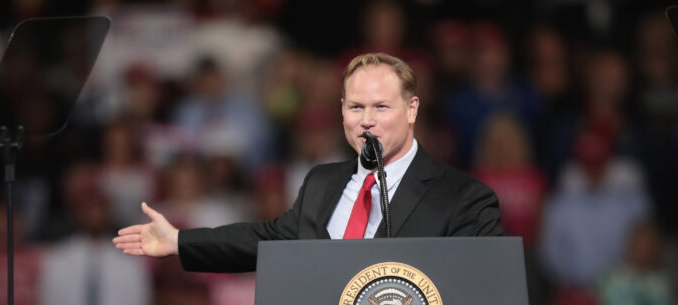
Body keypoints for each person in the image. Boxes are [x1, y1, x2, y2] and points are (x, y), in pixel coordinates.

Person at [113, 53, 502, 272]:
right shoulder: (322, 184)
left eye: (381, 107)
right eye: (356, 107)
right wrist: (181, 241)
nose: (366, 120)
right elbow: (263, 239)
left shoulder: (465, 198)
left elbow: (485, 293)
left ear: (412, 108)